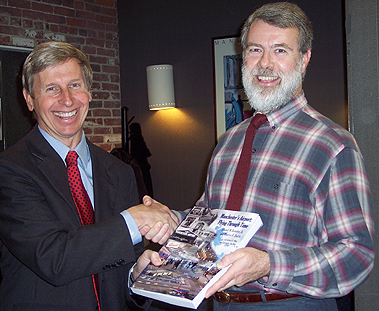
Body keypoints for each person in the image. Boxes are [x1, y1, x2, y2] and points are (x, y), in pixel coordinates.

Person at [174, 2, 375, 311]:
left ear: (304, 59)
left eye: (280, 50)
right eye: (255, 50)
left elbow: (356, 255)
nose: (264, 63)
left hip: (292, 304)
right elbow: (208, 221)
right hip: (221, 303)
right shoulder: (228, 142)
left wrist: (269, 264)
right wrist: (168, 235)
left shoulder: (332, 145)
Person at [0, 41, 178, 311]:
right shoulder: (10, 169)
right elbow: (54, 258)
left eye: (74, 85)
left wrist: (139, 274)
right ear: (29, 99)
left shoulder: (119, 171)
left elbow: (119, 258)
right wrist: (135, 218)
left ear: (89, 92)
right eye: (51, 89)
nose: (67, 100)